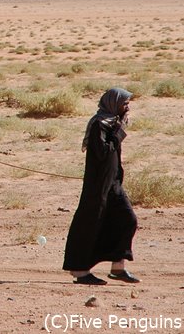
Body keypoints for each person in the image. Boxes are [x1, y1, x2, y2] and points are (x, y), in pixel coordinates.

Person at [63, 87, 139, 285]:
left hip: (112, 183)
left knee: (127, 219)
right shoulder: (100, 125)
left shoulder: (112, 123)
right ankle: (80, 271)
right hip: (97, 185)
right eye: (124, 103)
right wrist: (118, 132)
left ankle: (118, 267)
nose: (127, 107)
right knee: (90, 223)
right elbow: (103, 153)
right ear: (113, 103)